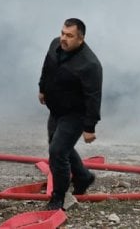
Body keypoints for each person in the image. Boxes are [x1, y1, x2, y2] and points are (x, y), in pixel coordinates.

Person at [38, 17, 102, 211]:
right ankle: (83, 176)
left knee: (57, 151)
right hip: (56, 109)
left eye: (69, 36)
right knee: (58, 147)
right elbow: (47, 67)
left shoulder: (90, 65)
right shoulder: (55, 45)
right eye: (62, 33)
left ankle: (58, 197)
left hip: (75, 114)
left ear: (80, 39)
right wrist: (42, 89)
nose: (63, 39)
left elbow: (94, 97)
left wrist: (89, 128)